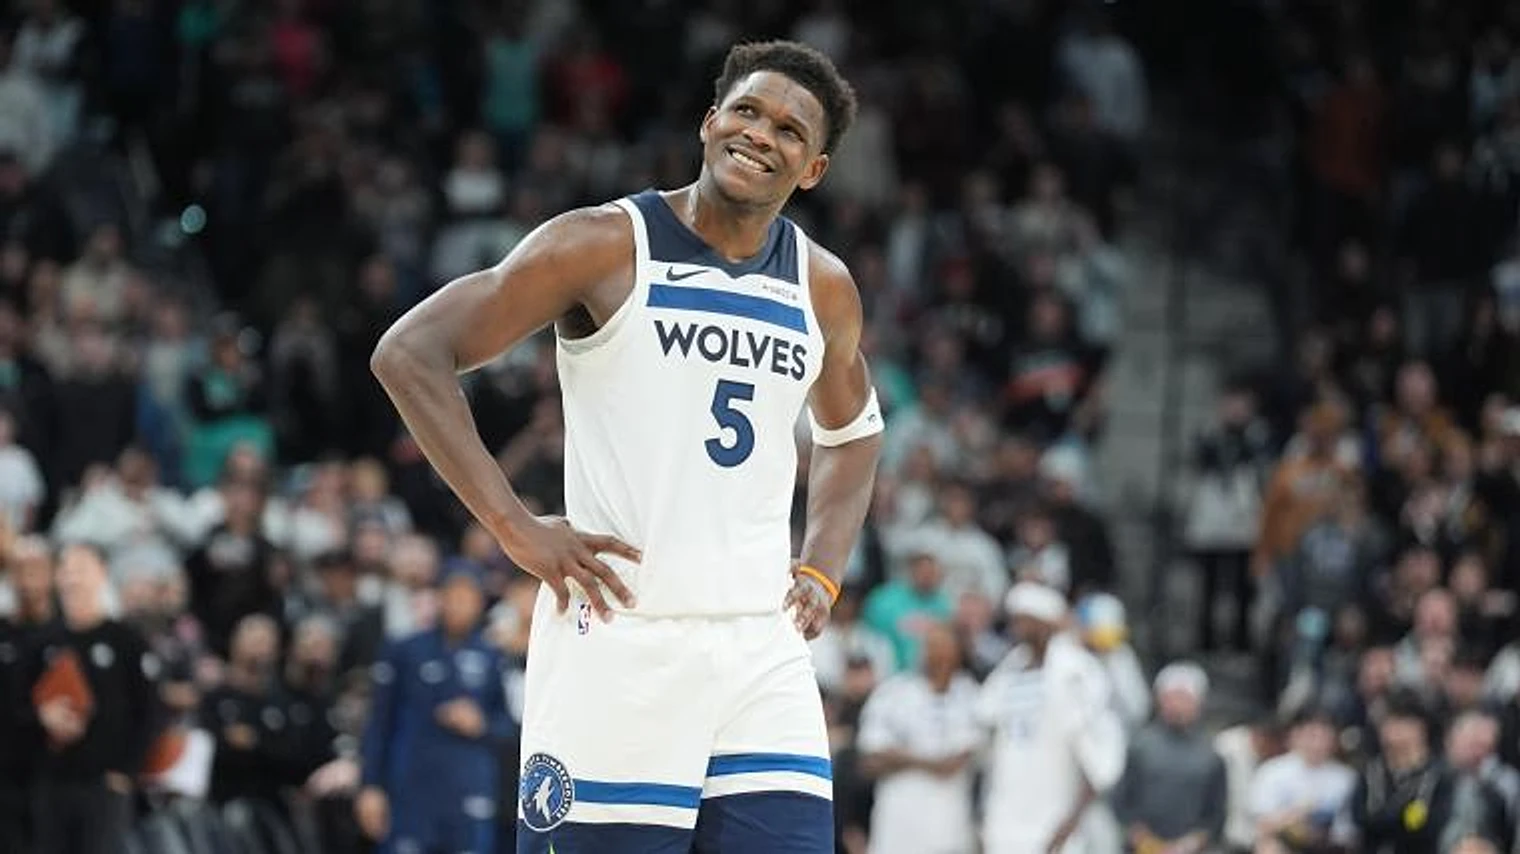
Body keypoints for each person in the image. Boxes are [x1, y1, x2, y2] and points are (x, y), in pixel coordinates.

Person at [371, 40, 880, 853]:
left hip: (760, 647)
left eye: (789, 130)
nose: (760, 133)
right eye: (747, 111)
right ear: (709, 122)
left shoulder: (823, 285)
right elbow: (409, 352)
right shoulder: (604, 243)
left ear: (813, 169)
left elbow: (854, 433)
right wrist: (511, 526)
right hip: (621, 637)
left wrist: (821, 568)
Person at [356, 559, 515, 854]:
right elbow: (379, 723)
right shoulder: (405, 649)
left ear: (480, 602)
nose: (459, 604)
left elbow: (508, 726)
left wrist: (481, 724)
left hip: (469, 789)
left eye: (468, 596)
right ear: (439, 597)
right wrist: (370, 786)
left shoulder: (492, 656)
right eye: (453, 594)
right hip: (412, 789)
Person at [976, 582, 1126, 854]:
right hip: (1005, 820)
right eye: (1015, 619)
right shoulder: (1009, 671)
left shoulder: (1077, 672)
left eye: (1024, 620)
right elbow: (986, 728)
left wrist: (1069, 824)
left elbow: (1097, 760)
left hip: (1054, 821)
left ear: (1045, 623)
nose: (1017, 627)